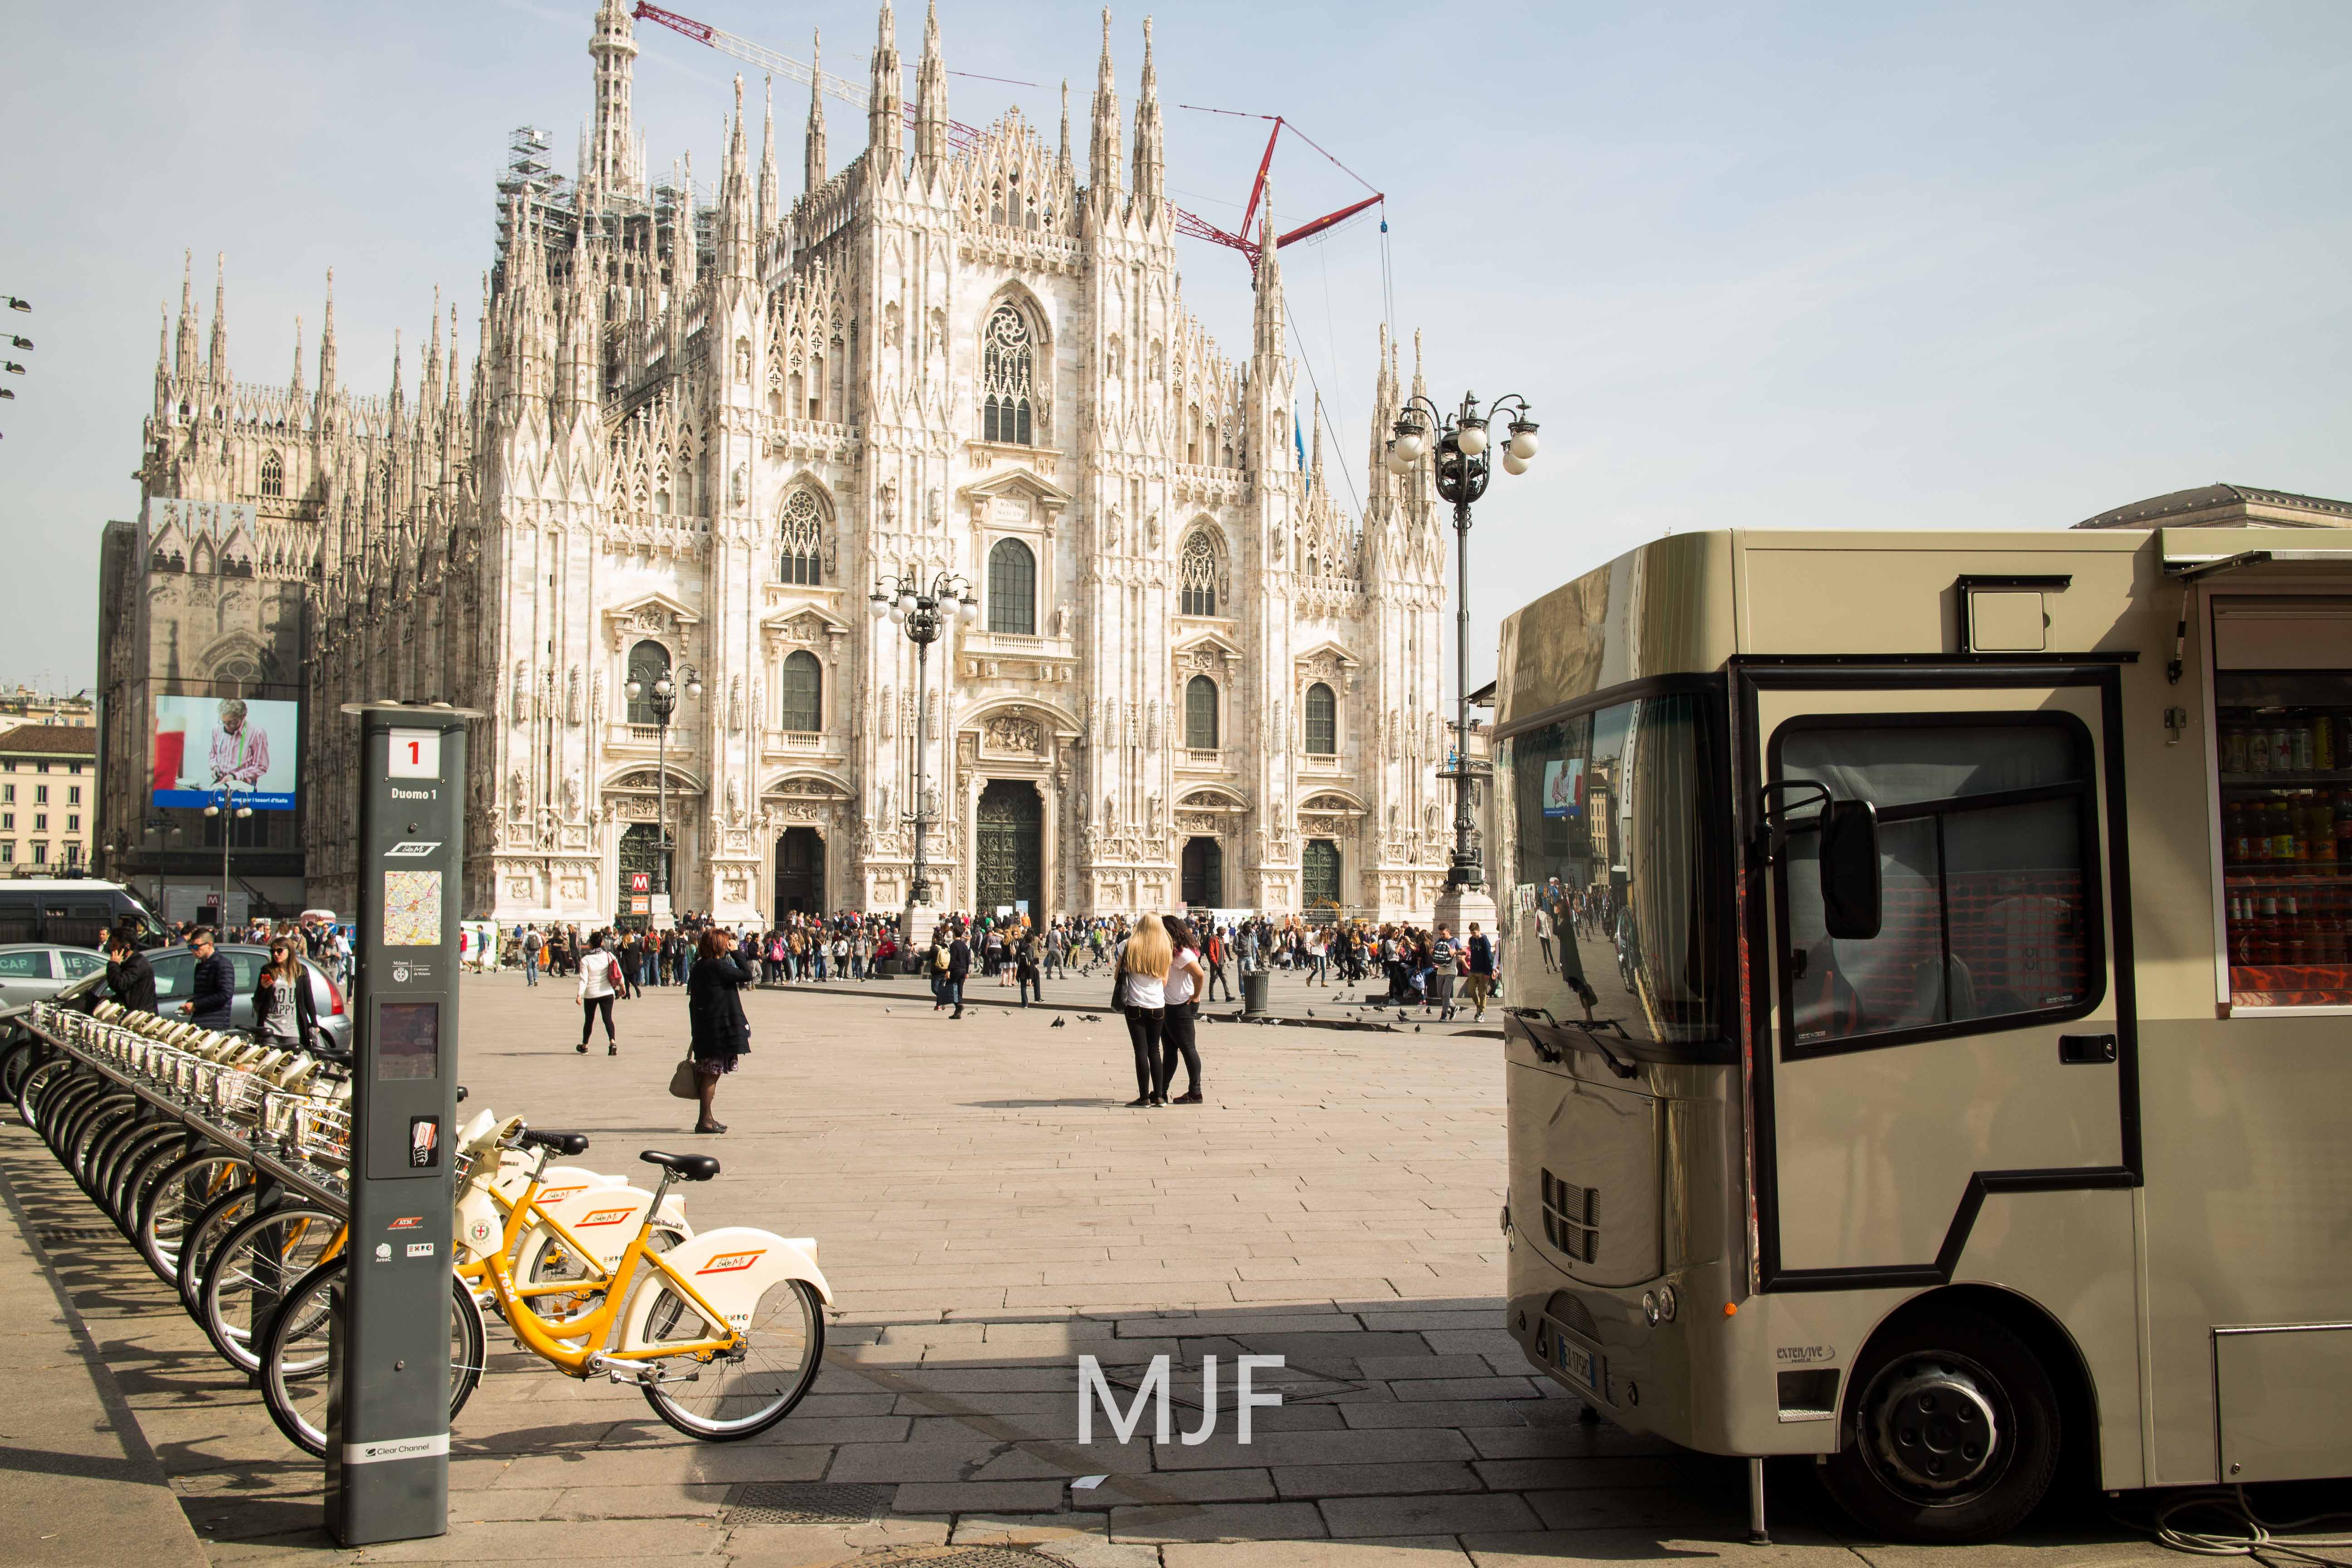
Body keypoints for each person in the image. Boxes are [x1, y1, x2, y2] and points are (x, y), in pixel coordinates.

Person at [686, 927, 755, 1134]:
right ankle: (705, 1120)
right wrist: (736, 952)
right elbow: (747, 974)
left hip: (705, 1027)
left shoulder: (698, 967)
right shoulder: (718, 967)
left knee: (709, 1074)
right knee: (711, 1074)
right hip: (718, 1030)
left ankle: (707, 1118)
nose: (727, 946)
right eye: (724, 943)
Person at [1113, 916, 1174, 1107]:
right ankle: (1160, 1096)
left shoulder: (1127, 945)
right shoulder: (1165, 948)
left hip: (1135, 1005)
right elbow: (1165, 982)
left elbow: (1117, 976)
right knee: (1155, 1049)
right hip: (1158, 1005)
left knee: (1141, 1050)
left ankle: (1144, 1097)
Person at [1159, 914, 1207, 1104]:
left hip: (1180, 1008)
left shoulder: (1182, 954)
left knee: (1188, 1049)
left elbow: (1200, 974)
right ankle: (1161, 1091)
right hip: (1168, 1007)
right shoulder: (1172, 952)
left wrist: (1196, 996)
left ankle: (1196, 1092)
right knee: (1170, 1052)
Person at [252, 936, 321, 1052]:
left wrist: (314, 1023)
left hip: (292, 1027)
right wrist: (263, 988)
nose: (276, 954)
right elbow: (258, 1000)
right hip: (270, 1025)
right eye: (273, 951)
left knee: (292, 1059)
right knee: (271, 1059)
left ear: (289, 951)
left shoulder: (301, 971)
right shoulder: (268, 970)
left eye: (280, 951)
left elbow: (308, 998)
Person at [576, 931, 623, 1055]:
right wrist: (623, 986)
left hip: (591, 994)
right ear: (602, 943)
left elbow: (583, 979)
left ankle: (585, 1046)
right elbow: (618, 972)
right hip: (607, 992)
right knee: (608, 1018)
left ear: (590, 944)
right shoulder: (609, 956)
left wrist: (580, 995)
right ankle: (612, 1042)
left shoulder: (586, 960)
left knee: (589, 1020)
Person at [179, 927, 234, 1030]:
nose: (193, 950)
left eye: (197, 946)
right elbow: (205, 994)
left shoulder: (222, 964)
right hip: (201, 1023)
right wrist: (191, 1004)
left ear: (210, 945)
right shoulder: (203, 964)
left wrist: (196, 1005)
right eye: (191, 947)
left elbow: (225, 994)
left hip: (214, 1025)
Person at [105, 926, 157, 1014]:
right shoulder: (128, 962)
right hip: (133, 1013)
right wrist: (112, 999)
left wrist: (113, 964)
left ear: (127, 947)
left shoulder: (137, 964)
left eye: (115, 945)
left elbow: (120, 985)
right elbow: (128, 993)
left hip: (140, 1017)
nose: (111, 949)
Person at [1465, 922, 1496, 1022]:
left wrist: (1488, 973)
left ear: (1479, 931)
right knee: (1471, 990)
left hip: (1483, 972)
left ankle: (1482, 1013)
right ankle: (1478, 1006)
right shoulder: (1472, 940)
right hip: (1473, 970)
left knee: (1482, 993)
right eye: (1471, 933)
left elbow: (1489, 957)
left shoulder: (1485, 941)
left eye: (1474, 933)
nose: (1473, 935)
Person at [946, 924, 972, 1019]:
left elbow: (952, 959)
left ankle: (958, 1005)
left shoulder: (954, 945)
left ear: (954, 934)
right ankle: (958, 1013)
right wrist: (967, 972)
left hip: (956, 969)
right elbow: (968, 959)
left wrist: (949, 971)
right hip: (963, 970)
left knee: (950, 988)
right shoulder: (965, 945)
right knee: (959, 989)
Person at [1014, 931, 1043, 1006]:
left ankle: (1025, 1004)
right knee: (1037, 976)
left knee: (1023, 986)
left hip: (1022, 968)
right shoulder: (1032, 948)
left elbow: (1016, 958)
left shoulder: (1019, 948)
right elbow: (1032, 957)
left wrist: (1020, 964)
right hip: (1030, 967)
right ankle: (1037, 997)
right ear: (1031, 940)